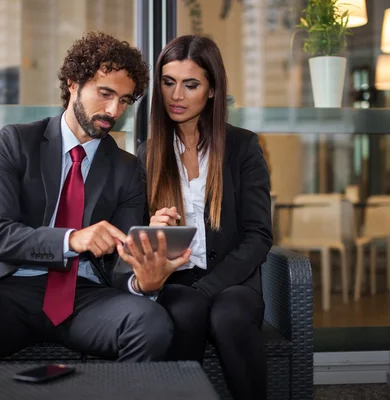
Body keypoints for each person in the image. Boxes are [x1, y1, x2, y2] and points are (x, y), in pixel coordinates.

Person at [0, 31, 191, 386]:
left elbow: (118, 267)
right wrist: (73, 240)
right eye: (105, 93)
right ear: (73, 83)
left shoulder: (127, 169)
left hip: (88, 298)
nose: (114, 111)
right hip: (8, 290)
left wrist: (145, 277)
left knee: (150, 323)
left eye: (125, 100)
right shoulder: (16, 143)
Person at [118, 34, 273, 400]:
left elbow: (258, 236)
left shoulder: (242, 147)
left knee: (230, 316)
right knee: (184, 311)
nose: (177, 96)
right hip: (175, 280)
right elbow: (136, 235)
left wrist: (208, 288)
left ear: (212, 90)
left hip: (234, 281)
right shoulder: (149, 153)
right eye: (169, 83)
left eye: (191, 85)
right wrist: (154, 231)